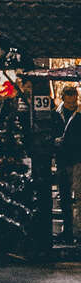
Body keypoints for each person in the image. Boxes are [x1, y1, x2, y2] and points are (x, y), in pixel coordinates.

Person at [54, 85, 81, 244]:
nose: (73, 105)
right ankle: (68, 230)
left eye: (74, 102)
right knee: (64, 197)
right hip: (63, 160)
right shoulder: (56, 114)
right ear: (63, 99)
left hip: (77, 160)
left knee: (78, 197)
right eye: (69, 103)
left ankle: (76, 230)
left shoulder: (79, 114)